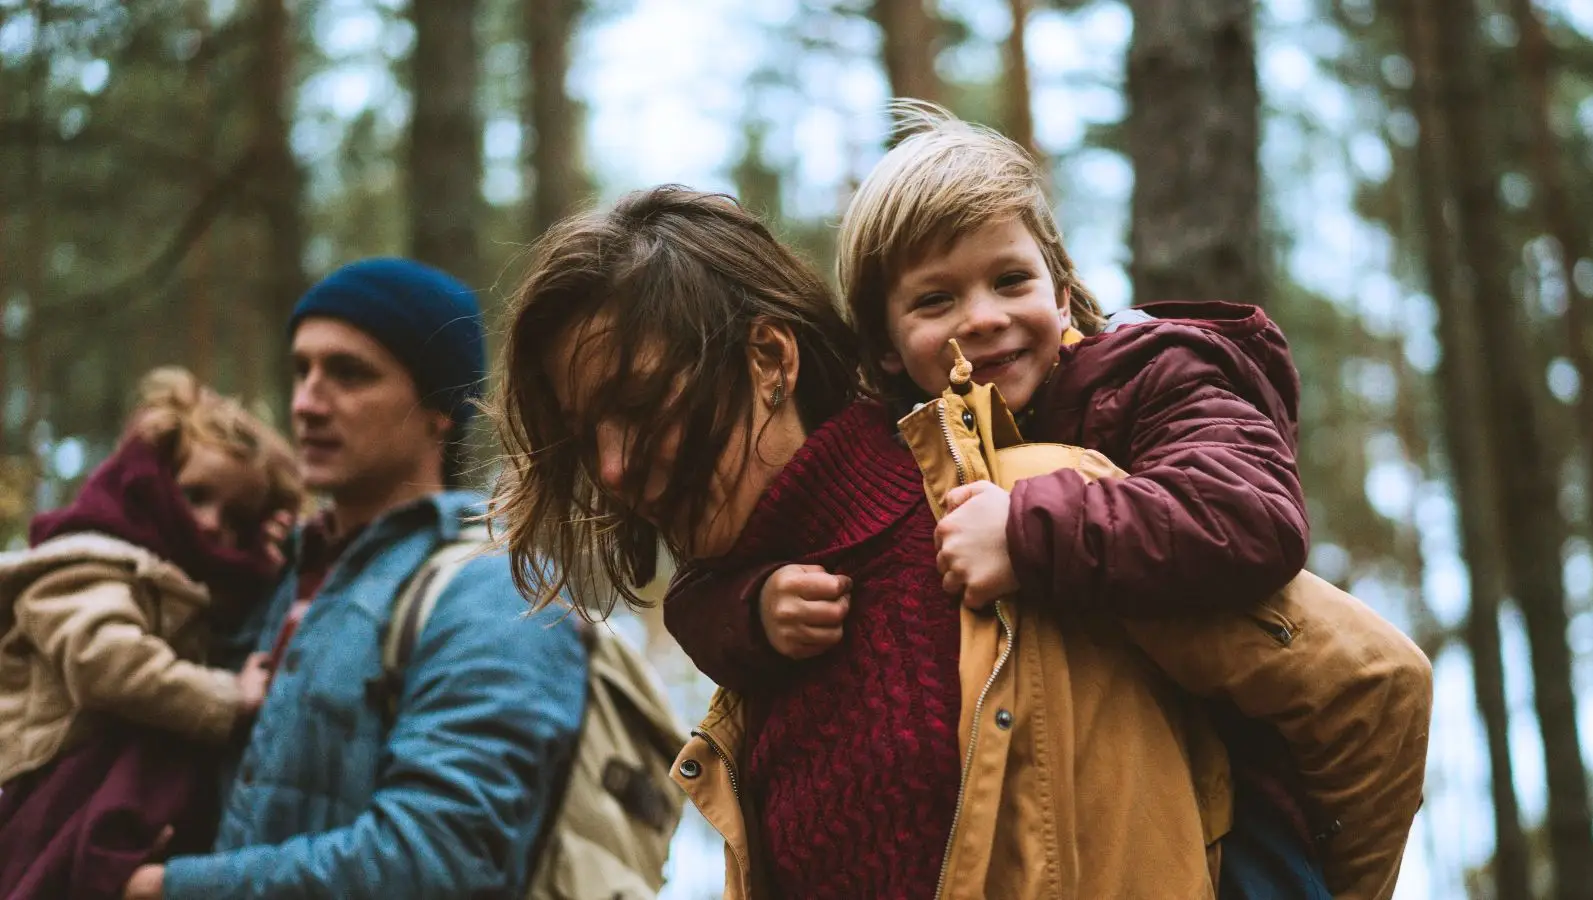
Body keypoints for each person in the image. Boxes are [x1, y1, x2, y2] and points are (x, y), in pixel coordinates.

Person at [671, 103, 1432, 900]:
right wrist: (753, 609)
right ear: (886, 346)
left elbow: (1247, 515)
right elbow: (706, 577)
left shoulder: (1148, 376)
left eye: (1011, 280)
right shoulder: (891, 452)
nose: (985, 318)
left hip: (1232, 813)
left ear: (1062, 291)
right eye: (936, 301)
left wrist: (1028, 533)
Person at [491, 186, 1233, 899]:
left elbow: (1336, 681)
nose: (614, 467)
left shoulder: (1036, 515)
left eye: (645, 402)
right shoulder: (753, 647)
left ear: (772, 360)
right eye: (588, 435)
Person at [123, 258, 587, 900]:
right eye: (301, 369)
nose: (307, 402)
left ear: (438, 409)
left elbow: (444, 860)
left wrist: (166, 890)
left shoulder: (498, 591)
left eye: (349, 373)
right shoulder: (269, 573)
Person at [0, 368, 300, 900]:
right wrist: (229, 697)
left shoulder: (174, 574)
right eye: (196, 496)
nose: (212, 526)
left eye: (236, 519)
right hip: (44, 797)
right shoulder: (88, 561)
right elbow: (105, 660)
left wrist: (266, 561)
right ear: (145, 482)